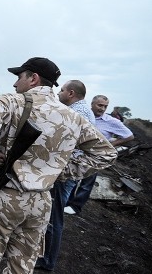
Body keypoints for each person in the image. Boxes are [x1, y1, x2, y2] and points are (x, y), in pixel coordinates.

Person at [0, 57, 117, 274]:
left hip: (6, 194)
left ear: (33, 78)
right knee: (22, 266)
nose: (15, 84)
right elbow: (106, 154)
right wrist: (60, 172)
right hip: (42, 202)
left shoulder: (14, 102)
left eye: (19, 77)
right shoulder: (74, 118)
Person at [35, 80, 96, 271]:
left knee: (54, 217)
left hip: (65, 173)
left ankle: (47, 261)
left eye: (61, 90)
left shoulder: (77, 113)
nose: (59, 93)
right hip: (68, 171)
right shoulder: (84, 111)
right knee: (52, 214)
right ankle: (43, 255)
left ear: (71, 93)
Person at [64, 95, 134, 215]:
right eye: (100, 105)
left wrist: (111, 145)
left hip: (95, 157)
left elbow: (129, 136)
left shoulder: (111, 121)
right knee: (71, 179)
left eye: (105, 106)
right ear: (92, 104)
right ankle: (65, 202)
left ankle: (75, 207)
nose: (102, 108)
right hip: (77, 153)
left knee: (87, 182)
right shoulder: (84, 115)